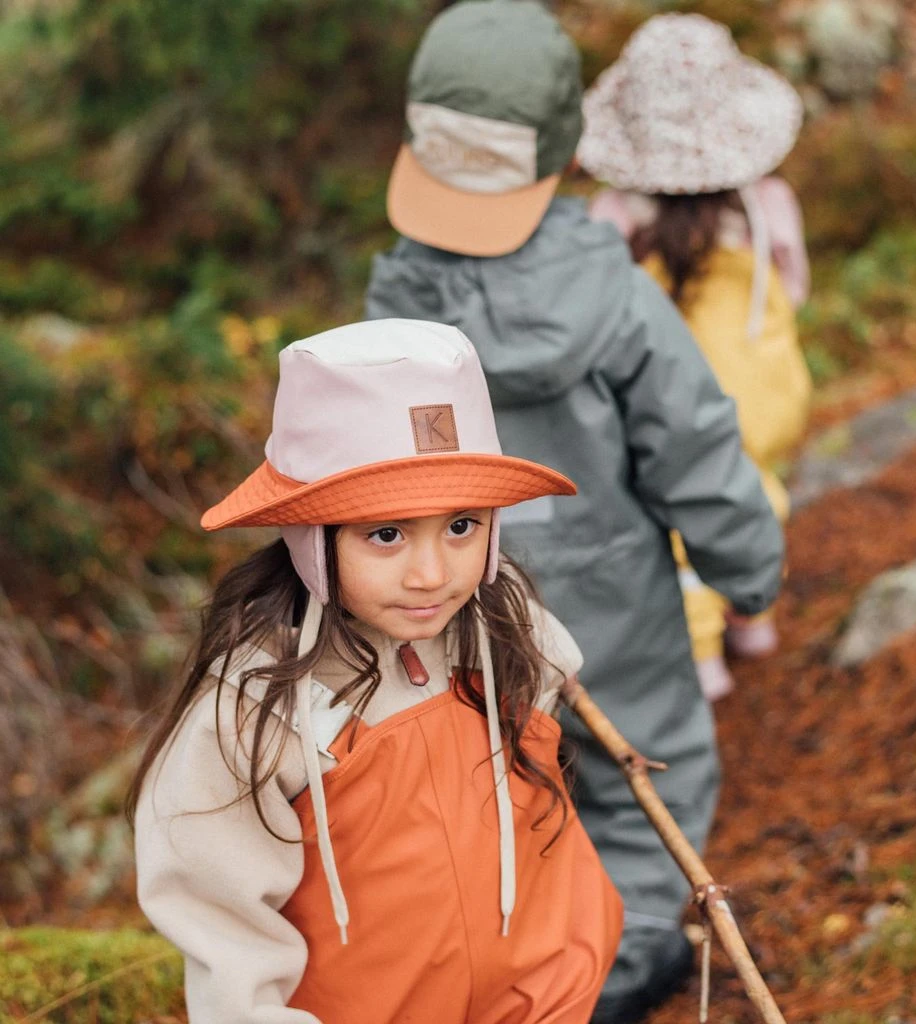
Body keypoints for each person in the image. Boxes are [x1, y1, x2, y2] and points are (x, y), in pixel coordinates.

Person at [363, 3, 785, 1020]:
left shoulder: (391, 305)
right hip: (613, 597)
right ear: (562, 145)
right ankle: (633, 947)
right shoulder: (619, 297)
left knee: (490, 777)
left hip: (452, 596)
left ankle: (506, 952)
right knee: (646, 763)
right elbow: (693, 444)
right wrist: (747, 571)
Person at [127, 318, 623, 1024]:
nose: (431, 574)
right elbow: (220, 924)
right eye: (385, 534)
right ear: (311, 537)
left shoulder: (506, 632)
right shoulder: (256, 707)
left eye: (461, 526)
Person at [579, 13, 813, 702]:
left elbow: (594, 308)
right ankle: (754, 612)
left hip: (666, 400)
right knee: (752, 485)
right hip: (761, 388)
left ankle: (702, 653)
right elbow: (792, 288)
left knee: (676, 508)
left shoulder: (617, 213)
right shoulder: (769, 201)